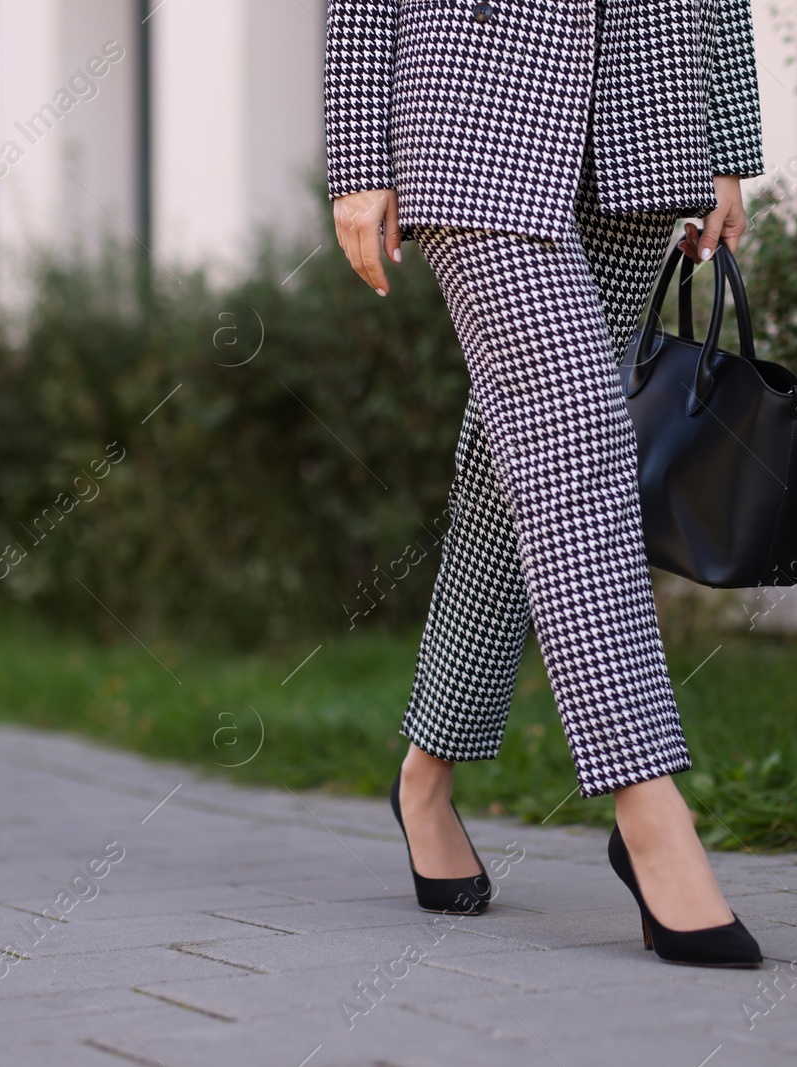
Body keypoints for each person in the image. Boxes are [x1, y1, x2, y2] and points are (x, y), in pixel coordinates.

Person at [325, 0, 766, 968]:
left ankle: (424, 773)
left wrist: (724, 137)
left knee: (509, 462)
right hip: (475, 105)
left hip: (642, 115)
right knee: (577, 444)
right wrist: (357, 153)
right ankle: (647, 804)